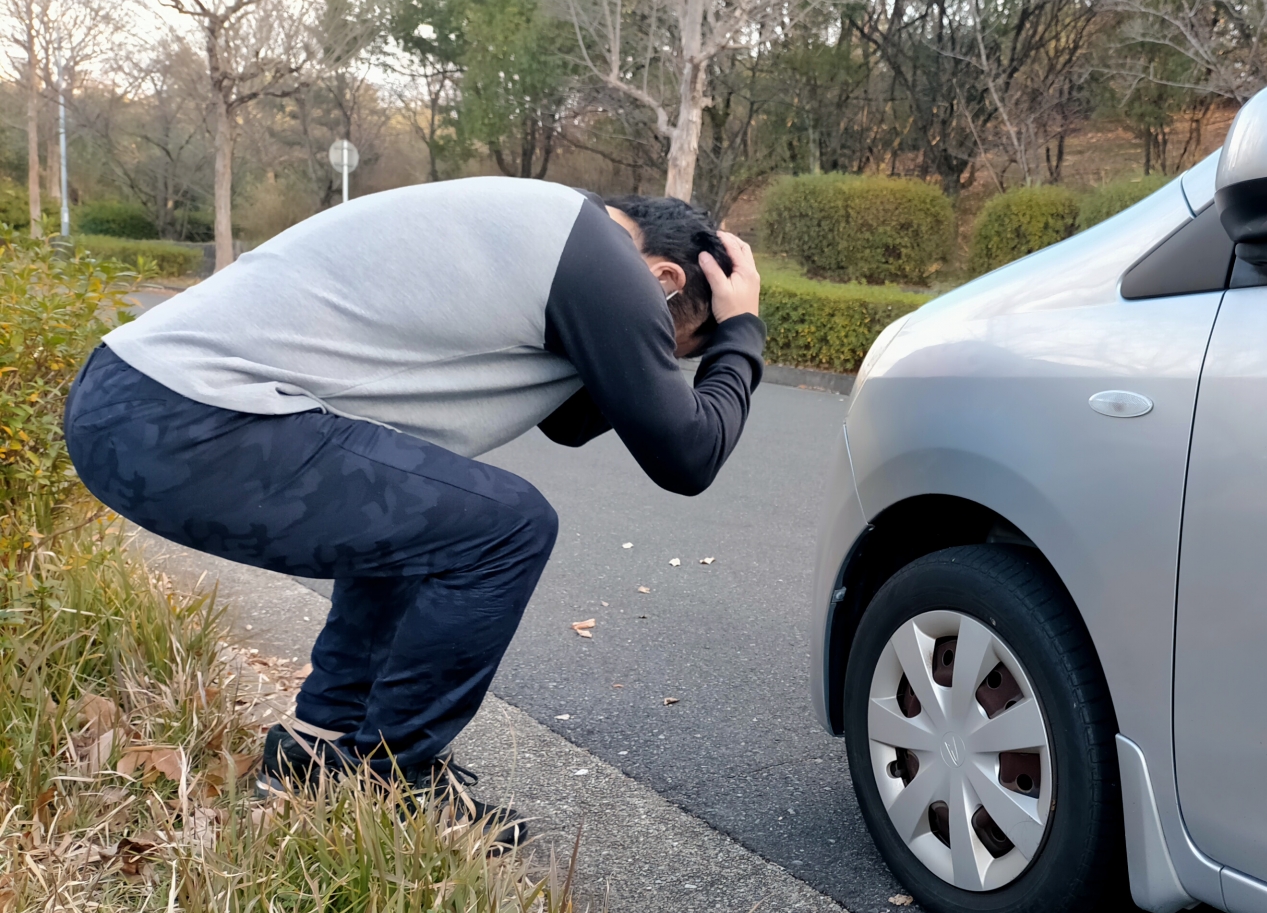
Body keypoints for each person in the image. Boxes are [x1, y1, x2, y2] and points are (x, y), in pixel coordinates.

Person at [63, 179, 763, 841]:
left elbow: (575, 421)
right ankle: (396, 782)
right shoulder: (606, 264)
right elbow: (687, 456)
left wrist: (679, 348)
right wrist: (740, 334)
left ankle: (321, 750)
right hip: (186, 419)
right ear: (665, 281)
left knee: (430, 507)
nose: (659, 360)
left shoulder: (554, 234)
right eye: (674, 348)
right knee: (508, 527)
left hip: (134, 403)